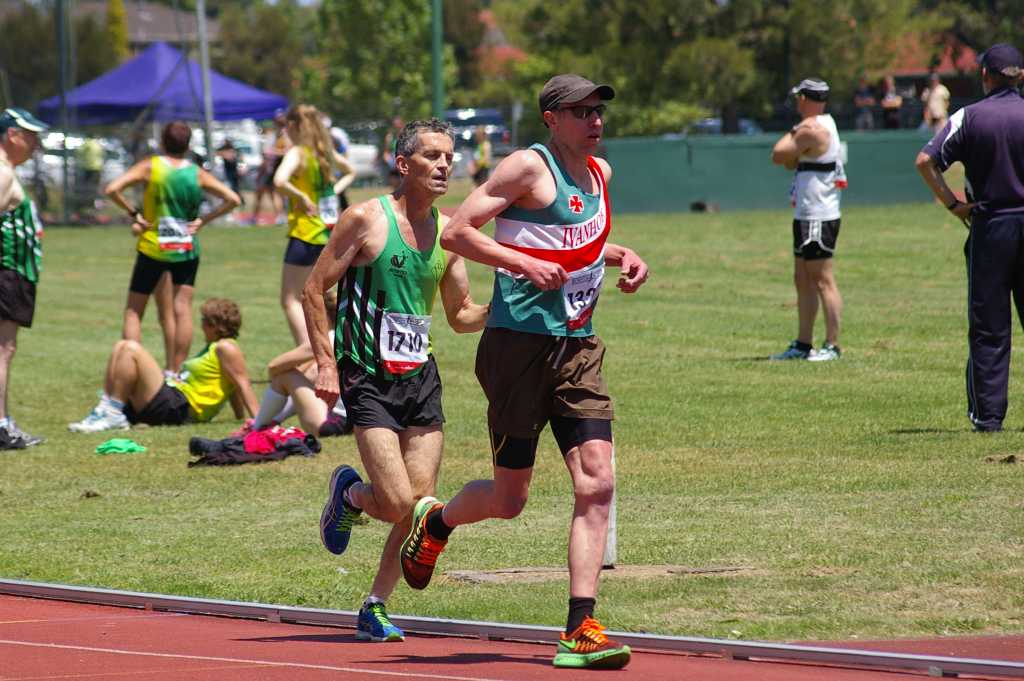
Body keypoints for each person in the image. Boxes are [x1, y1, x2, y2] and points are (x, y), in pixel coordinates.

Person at [398, 74, 649, 670]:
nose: (595, 120)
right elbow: (457, 232)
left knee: (598, 481)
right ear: (551, 118)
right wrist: (520, 263)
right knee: (510, 499)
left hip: (578, 347)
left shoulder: (601, 175)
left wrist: (624, 255)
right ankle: (435, 521)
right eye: (581, 111)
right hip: (516, 349)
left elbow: (579, 243)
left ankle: (579, 626)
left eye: (599, 110)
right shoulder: (526, 170)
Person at [303, 119, 489, 644]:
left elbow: (461, 314)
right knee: (398, 500)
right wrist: (325, 363)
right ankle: (352, 495)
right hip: (368, 375)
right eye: (432, 156)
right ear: (403, 165)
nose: (444, 165)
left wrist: (509, 307)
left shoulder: (450, 234)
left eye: (449, 157)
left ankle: (374, 605)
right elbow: (314, 290)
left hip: (420, 378)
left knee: (420, 504)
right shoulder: (365, 220)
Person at [915, 43, 1024, 433]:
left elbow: (925, 161)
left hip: (991, 223)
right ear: (1021, 76)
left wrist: (952, 204)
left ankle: (988, 416)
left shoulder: (969, 117)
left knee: (990, 326)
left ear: (985, 76)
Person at [104, 121, 241, 374]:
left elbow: (112, 189)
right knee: (182, 310)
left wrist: (134, 213)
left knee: (134, 310)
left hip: (153, 247)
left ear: (162, 142)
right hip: (185, 248)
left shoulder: (150, 166)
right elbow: (233, 199)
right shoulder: (196, 172)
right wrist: (203, 221)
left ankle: (131, 369)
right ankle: (174, 373)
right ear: (188, 145)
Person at [68, 298, 259, 432]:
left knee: (131, 349)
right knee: (121, 346)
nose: (201, 325)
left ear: (215, 325)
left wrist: (259, 422)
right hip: (173, 400)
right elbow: (232, 385)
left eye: (204, 321)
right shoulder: (213, 348)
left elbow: (242, 383)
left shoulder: (226, 347)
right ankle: (107, 409)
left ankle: (112, 413)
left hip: (180, 407)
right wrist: (238, 417)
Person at [769, 78, 846, 362]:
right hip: (805, 212)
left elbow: (778, 154)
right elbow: (789, 159)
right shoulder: (816, 126)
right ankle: (803, 344)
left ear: (805, 98)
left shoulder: (813, 128)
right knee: (802, 278)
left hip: (818, 214)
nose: (796, 103)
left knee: (823, 279)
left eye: (799, 98)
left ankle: (832, 345)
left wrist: (795, 139)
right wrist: (795, 147)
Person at [273, 104, 356, 346]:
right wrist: (333, 193)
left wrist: (301, 197)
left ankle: (307, 350)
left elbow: (279, 180)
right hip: (328, 235)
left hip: (305, 233)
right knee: (320, 295)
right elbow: (350, 171)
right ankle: (330, 346)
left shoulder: (298, 153)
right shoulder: (325, 151)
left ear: (292, 126)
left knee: (291, 299)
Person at [0, 108, 48, 450]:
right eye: (30, 135)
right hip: (8, 272)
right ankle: (1, 425)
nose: (35, 143)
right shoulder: (3, 174)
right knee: (3, 349)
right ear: (12, 135)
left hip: (15, 273)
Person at [245, 288, 351, 438]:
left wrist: (280, 378)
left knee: (286, 375)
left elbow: (274, 366)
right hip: (354, 422)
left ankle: (256, 428)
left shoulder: (328, 338)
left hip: (331, 425)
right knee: (311, 372)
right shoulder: (348, 336)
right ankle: (271, 421)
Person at [252, 113, 290, 224]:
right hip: (271, 168)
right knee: (266, 193)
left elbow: (286, 151)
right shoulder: (276, 135)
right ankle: (258, 216)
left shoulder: (284, 135)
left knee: (274, 193)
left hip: (276, 168)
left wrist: (271, 152)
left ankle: (279, 216)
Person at [216, 139, 244, 208]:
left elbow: (238, 159)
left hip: (234, 173)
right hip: (228, 174)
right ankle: (235, 201)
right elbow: (218, 153)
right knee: (230, 188)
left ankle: (240, 201)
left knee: (235, 188)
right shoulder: (224, 151)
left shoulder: (233, 150)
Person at [380, 117, 404, 190]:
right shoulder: (390, 137)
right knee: (393, 180)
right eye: (394, 125)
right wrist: (386, 156)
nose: (396, 127)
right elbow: (386, 151)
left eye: (397, 125)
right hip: (393, 161)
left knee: (402, 180)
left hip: (403, 160)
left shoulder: (405, 136)